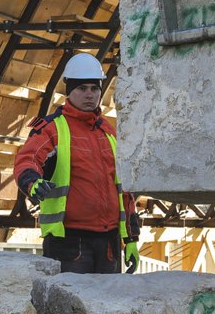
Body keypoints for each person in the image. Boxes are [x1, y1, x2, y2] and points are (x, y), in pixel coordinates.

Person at [14, 53, 141, 274]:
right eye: (82, 89)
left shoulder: (109, 132)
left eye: (95, 88)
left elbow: (125, 190)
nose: (89, 94)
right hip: (68, 242)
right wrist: (32, 183)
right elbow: (28, 160)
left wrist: (131, 238)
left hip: (109, 242)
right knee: (70, 306)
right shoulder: (52, 129)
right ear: (69, 91)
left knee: (107, 306)